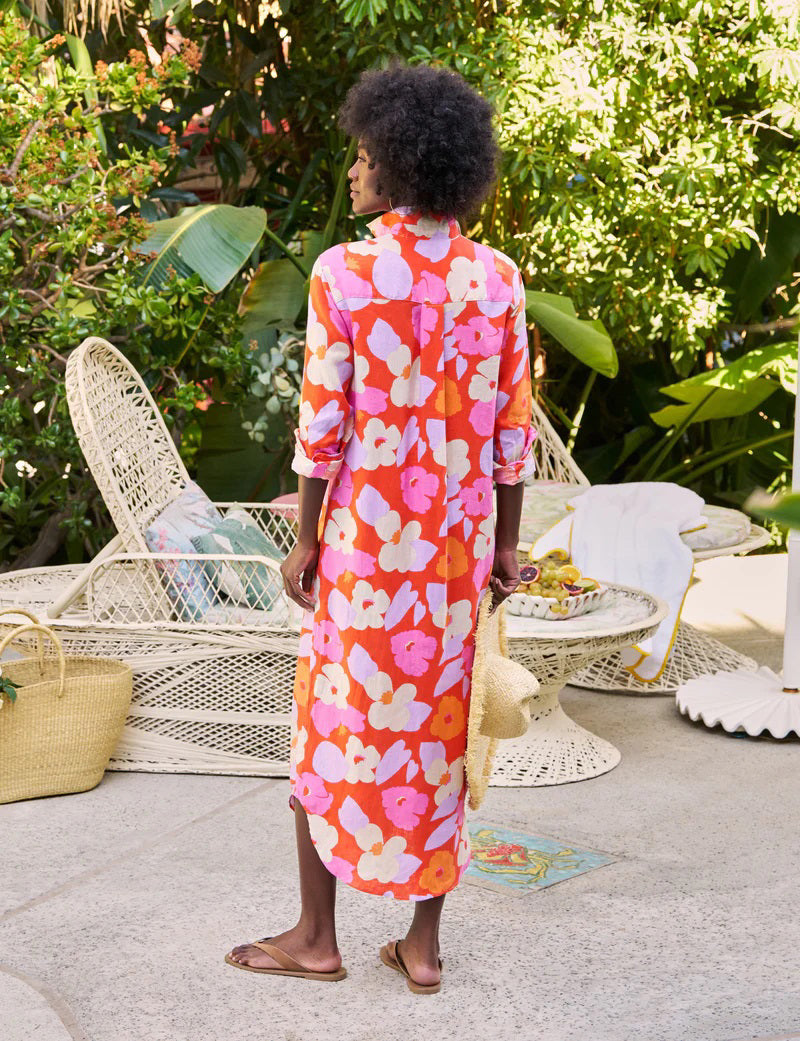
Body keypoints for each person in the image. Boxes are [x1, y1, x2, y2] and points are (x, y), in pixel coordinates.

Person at [226, 62, 535, 994]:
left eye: (364, 156)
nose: (354, 172)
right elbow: (511, 432)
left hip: (366, 554)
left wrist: (308, 537)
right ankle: (423, 947)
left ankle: (317, 937)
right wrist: (509, 547)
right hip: (452, 557)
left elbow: (323, 423)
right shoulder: (498, 279)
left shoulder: (345, 271)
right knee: (437, 741)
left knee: (330, 731)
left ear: (397, 166)